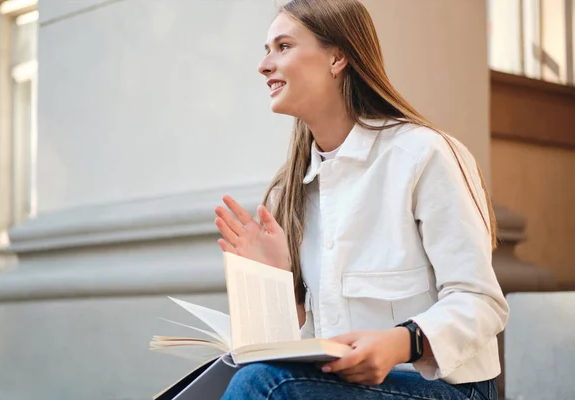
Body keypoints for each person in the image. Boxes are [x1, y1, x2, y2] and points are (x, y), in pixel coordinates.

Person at [213, 0, 509, 399]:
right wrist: (279, 286)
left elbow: (482, 302)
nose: (265, 65)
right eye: (267, 50)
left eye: (283, 46)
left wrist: (403, 342)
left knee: (263, 386)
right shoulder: (292, 191)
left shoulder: (424, 155)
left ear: (337, 58)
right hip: (343, 385)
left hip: (446, 388)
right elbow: (295, 353)